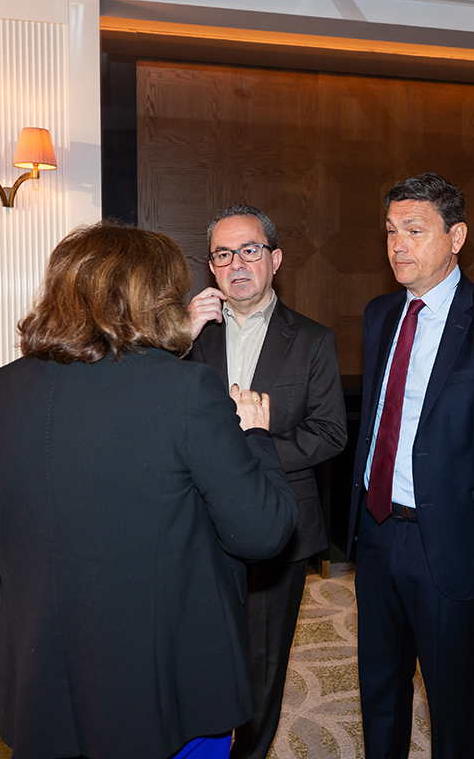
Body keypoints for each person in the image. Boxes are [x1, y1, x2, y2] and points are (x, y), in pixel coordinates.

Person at [0, 221, 299, 759]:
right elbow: (262, 531)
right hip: (170, 689)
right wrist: (255, 435)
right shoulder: (186, 389)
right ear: (154, 299)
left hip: (41, 685)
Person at [345, 173, 474, 758]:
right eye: (391, 231)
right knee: (379, 686)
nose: (398, 245)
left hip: (452, 541)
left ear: (456, 237)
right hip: (377, 530)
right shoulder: (380, 313)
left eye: (415, 230)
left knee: (451, 696)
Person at [186, 204, 347, 759]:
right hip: (195, 524)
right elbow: (149, 409)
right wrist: (176, 336)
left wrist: (248, 451)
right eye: (223, 254)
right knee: (195, 651)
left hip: (279, 523)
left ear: (275, 259)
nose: (237, 263)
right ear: (211, 267)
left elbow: (329, 433)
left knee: (262, 661)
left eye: (249, 250)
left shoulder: (313, 339)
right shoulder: (189, 336)